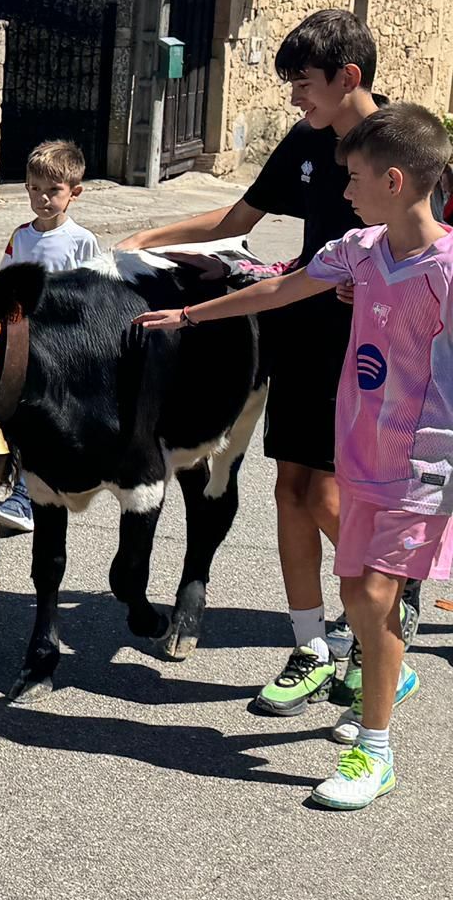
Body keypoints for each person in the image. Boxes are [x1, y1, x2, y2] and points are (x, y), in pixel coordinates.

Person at [135, 102, 452, 810]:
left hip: (422, 468)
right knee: (358, 599)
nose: (344, 192)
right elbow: (281, 287)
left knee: (372, 595)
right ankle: (386, 672)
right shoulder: (362, 250)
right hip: (359, 452)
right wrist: (187, 314)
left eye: (355, 179)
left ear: (395, 181)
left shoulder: (448, 271)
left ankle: (375, 753)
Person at [118, 8, 391, 717]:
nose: (294, 98)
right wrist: (149, 233)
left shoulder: (402, 146)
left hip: (371, 355)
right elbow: (238, 221)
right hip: (302, 333)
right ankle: (310, 647)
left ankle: (383, 618)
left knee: (330, 498)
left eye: (303, 83)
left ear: (348, 76)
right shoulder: (305, 142)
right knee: (289, 493)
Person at [0, 138, 104, 534]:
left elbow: (93, 294)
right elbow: (5, 281)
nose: (42, 198)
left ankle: (26, 499)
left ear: (74, 193)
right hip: (23, 345)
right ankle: (9, 479)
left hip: (62, 349)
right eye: (34, 189)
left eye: (53, 191)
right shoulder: (21, 236)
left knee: (43, 421)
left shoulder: (82, 241)